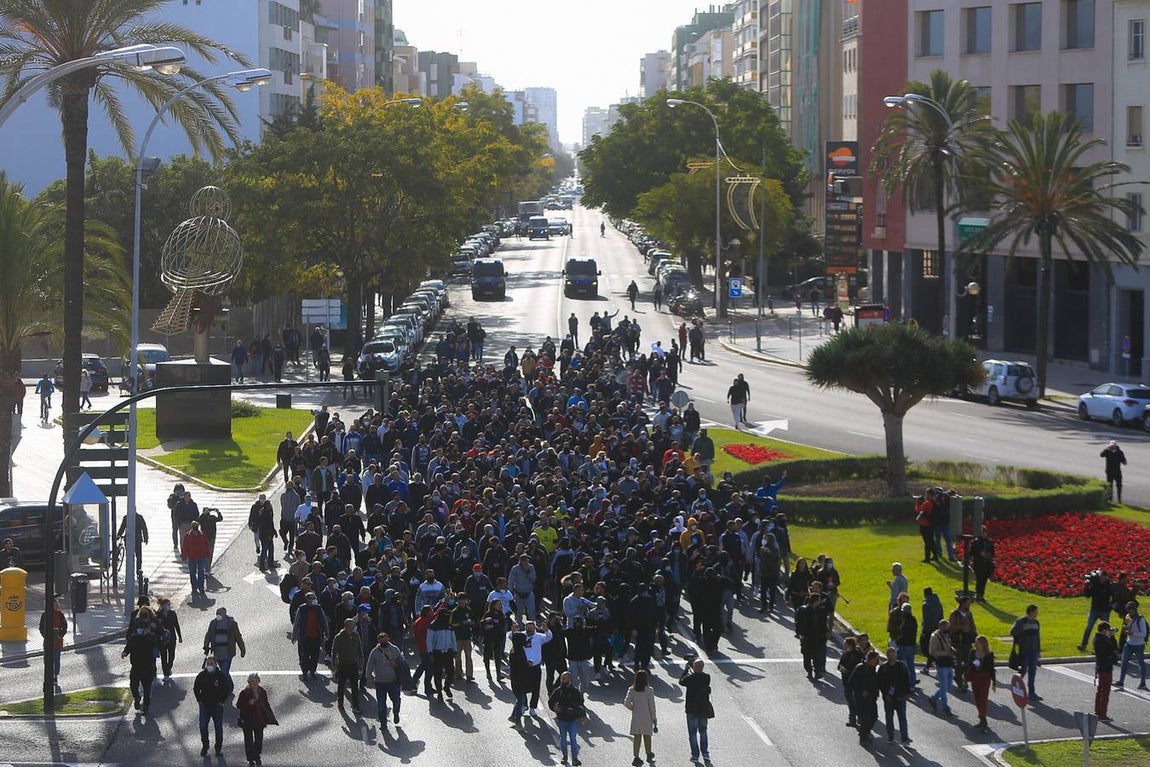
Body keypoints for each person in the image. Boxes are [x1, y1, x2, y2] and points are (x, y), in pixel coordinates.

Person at [236, 672, 278, 767]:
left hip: (259, 720)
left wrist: (268, 715)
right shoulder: (244, 693)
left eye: (256, 681)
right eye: (252, 682)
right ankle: (251, 759)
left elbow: (266, 704)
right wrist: (248, 703)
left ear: (259, 682)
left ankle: (257, 755)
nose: (254, 684)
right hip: (247, 720)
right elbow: (238, 705)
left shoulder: (262, 691)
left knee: (259, 740)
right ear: (249, 682)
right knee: (248, 740)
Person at [679, 657, 714, 764]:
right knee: (703, 731)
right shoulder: (707, 677)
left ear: (694, 667)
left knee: (692, 733)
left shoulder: (690, 678)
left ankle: (695, 755)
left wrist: (686, 670)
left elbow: (681, 681)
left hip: (691, 709)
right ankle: (705, 754)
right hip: (703, 709)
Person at [365, 631, 404, 727]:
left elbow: (402, 661)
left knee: (396, 700)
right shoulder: (374, 652)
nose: (383, 643)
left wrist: (396, 664)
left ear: (388, 639)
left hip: (394, 682)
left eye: (385, 640)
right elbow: (369, 666)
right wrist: (369, 679)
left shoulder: (395, 649)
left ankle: (396, 712)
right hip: (380, 682)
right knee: (381, 704)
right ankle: (383, 723)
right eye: (381, 641)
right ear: (378, 641)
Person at [204, 607, 246, 694]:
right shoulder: (213, 623)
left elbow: (238, 637)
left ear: (224, 614)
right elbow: (208, 635)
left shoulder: (231, 624)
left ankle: (227, 689)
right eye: (217, 613)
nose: (218, 615)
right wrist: (206, 645)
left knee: (223, 672)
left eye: (219, 613)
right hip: (217, 653)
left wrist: (242, 649)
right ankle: (230, 686)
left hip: (228, 653)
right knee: (224, 671)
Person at [194, 655, 230, 756]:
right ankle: (205, 745)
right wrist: (199, 700)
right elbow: (196, 688)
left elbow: (225, 689)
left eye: (212, 663)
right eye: (208, 663)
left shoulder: (220, 676)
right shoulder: (201, 676)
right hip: (205, 706)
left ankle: (218, 747)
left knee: (218, 727)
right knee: (203, 726)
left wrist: (222, 701)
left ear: (215, 664)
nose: (210, 665)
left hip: (217, 706)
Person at [548, 671, 586, 766]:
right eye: (561, 678)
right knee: (563, 739)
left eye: (564, 678)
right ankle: (564, 756)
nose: (562, 680)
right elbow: (550, 702)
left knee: (573, 739)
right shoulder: (558, 691)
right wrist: (554, 708)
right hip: (562, 719)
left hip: (572, 720)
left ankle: (574, 759)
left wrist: (583, 716)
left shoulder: (575, 692)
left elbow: (581, 704)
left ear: (569, 679)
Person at [877, 647, 912, 744]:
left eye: (894, 654)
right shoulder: (883, 668)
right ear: (887, 655)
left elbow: (906, 680)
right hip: (888, 697)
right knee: (889, 717)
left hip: (900, 696)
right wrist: (885, 694)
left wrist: (907, 693)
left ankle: (904, 737)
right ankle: (890, 736)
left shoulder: (901, 666)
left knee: (902, 717)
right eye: (890, 655)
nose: (892, 657)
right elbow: (880, 683)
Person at [291, 590, 328, 679]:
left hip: (316, 635)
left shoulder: (318, 608)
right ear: (307, 600)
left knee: (315, 655)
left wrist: (326, 631)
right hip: (305, 636)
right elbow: (297, 622)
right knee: (305, 655)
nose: (315, 600)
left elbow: (324, 620)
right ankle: (305, 672)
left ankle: (312, 671)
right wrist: (294, 635)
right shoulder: (302, 609)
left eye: (314, 598)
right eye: (313, 598)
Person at [123, 621, 159, 714]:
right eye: (141, 629)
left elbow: (156, 644)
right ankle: (137, 697)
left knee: (147, 688)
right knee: (133, 685)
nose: (142, 630)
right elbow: (128, 647)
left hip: (148, 667)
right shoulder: (134, 638)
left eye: (144, 628)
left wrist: (147, 635)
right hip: (136, 666)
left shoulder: (151, 637)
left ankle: (146, 706)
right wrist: (125, 653)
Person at [847, 650, 881, 746]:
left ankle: (865, 734)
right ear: (871, 659)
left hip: (872, 697)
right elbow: (851, 682)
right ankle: (863, 737)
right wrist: (861, 690)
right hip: (861, 698)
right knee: (865, 718)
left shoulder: (874, 668)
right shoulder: (860, 667)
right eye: (876, 659)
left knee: (873, 717)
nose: (877, 661)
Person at [1010, 604, 1042, 701]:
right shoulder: (1021, 621)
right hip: (1024, 650)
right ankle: (1016, 687)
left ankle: (1031, 693)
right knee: (1023, 670)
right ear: (1031, 611)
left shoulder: (1036, 622)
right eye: (1036, 611)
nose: (1037, 614)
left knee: (1032, 671)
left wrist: (1039, 652)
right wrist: (1022, 628)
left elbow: (1038, 637)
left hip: (1034, 651)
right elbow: (1013, 632)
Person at [625, 669, 657, 765]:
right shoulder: (649, 690)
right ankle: (648, 753)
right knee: (647, 736)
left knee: (637, 737)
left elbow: (626, 702)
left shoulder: (632, 689)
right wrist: (654, 718)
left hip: (636, 716)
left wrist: (633, 708)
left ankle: (636, 756)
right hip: (647, 716)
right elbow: (652, 705)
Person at [332, 617, 363, 714]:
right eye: (352, 625)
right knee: (341, 685)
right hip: (343, 664)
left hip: (353, 664)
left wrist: (361, 659)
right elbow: (334, 651)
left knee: (355, 686)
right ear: (347, 626)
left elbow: (359, 647)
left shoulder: (356, 635)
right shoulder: (339, 637)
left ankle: (355, 706)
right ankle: (340, 703)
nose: (354, 627)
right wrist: (334, 663)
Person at [1114, 601, 1148, 690]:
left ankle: (1143, 683)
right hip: (1129, 643)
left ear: (1135, 610)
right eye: (1128, 610)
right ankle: (1121, 682)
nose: (1129, 612)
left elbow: (1143, 634)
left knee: (1141, 663)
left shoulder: (1141, 619)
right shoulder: (1127, 617)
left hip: (1139, 645)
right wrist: (1125, 629)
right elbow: (1127, 627)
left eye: (1131, 610)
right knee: (1124, 662)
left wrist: (1132, 633)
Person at [966, 634, 996, 731]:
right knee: (977, 698)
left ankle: (983, 719)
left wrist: (994, 682)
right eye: (975, 642)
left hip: (984, 678)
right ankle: (982, 717)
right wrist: (973, 664)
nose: (975, 644)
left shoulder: (989, 654)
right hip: (975, 677)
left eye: (977, 643)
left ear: (983, 644)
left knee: (983, 698)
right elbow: (968, 664)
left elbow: (991, 669)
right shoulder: (972, 652)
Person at [1080, 570, 1113, 652]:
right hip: (1094, 609)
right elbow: (1087, 595)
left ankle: (1108, 645)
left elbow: (1114, 596)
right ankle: (1083, 645)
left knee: (1106, 629)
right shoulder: (1095, 583)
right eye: (1101, 578)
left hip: (1105, 610)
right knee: (1089, 627)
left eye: (1104, 578)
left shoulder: (1108, 585)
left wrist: (1111, 606)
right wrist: (1087, 586)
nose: (1102, 580)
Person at [927, 618, 955, 716]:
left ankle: (933, 698)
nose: (948, 629)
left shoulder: (946, 635)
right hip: (941, 664)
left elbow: (948, 646)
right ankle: (945, 707)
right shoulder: (935, 637)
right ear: (942, 627)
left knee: (949, 685)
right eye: (947, 627)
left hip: (948, 663)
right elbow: (932, 651)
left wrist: (951, 650)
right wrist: (945, 653)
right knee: (944, 686)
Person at [1094, 621, 1119, 722]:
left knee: (1100, 690)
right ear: (1104, 630)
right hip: (1106, 668)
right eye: (1108, 630)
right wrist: (1112, 637)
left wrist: (1109, 637)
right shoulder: (1102, 640)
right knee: (1105, 692)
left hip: (1101, 667)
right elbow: (1113, 649)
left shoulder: (1097, 638)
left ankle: (1097, 711)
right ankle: (1102, 714)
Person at [38, 597, 67, 684]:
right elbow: (41, 627)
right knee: (47, 659)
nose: (56, 605)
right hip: (47, 642)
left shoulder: (60, 614)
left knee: (56, 659)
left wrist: (60, 635)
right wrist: (45, 636)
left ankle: (55, 676)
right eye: (55, 604)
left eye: (56, 604)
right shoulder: (45, 615)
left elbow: (64, 626)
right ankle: (48, 675)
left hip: (57, 642)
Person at [182, 520, 211, 597]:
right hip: (192, 558)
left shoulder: (202, 535)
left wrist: (208, 554)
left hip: (201, 557)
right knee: (192, 573)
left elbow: (206, 544)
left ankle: (201, 588)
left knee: (201, 573)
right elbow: (184, 546)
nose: (195, 530)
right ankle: (194, 588)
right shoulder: (187, 536)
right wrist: (184, 556)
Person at [157, 597, 182, 678]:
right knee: (164, 657)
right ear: (163, 606)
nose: (169, 606)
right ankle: (166, 673)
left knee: (172, 656)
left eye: (169, 604)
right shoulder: (158, 615)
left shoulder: (172, 614)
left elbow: (176, 625)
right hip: (162, 639)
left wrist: (180, 636)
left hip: (172, 638)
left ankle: (168, 668)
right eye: (167, 605)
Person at [969, 534, 995, 603]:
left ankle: (981, 595)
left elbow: (993, 553)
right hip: (978, 563)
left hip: (987, 563)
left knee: (984, 580)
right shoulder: (976, 542)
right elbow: (971, 552)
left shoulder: (989, 542)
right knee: (979, 579)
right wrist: (979, 554)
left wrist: (987, 555)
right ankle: (978, 594)